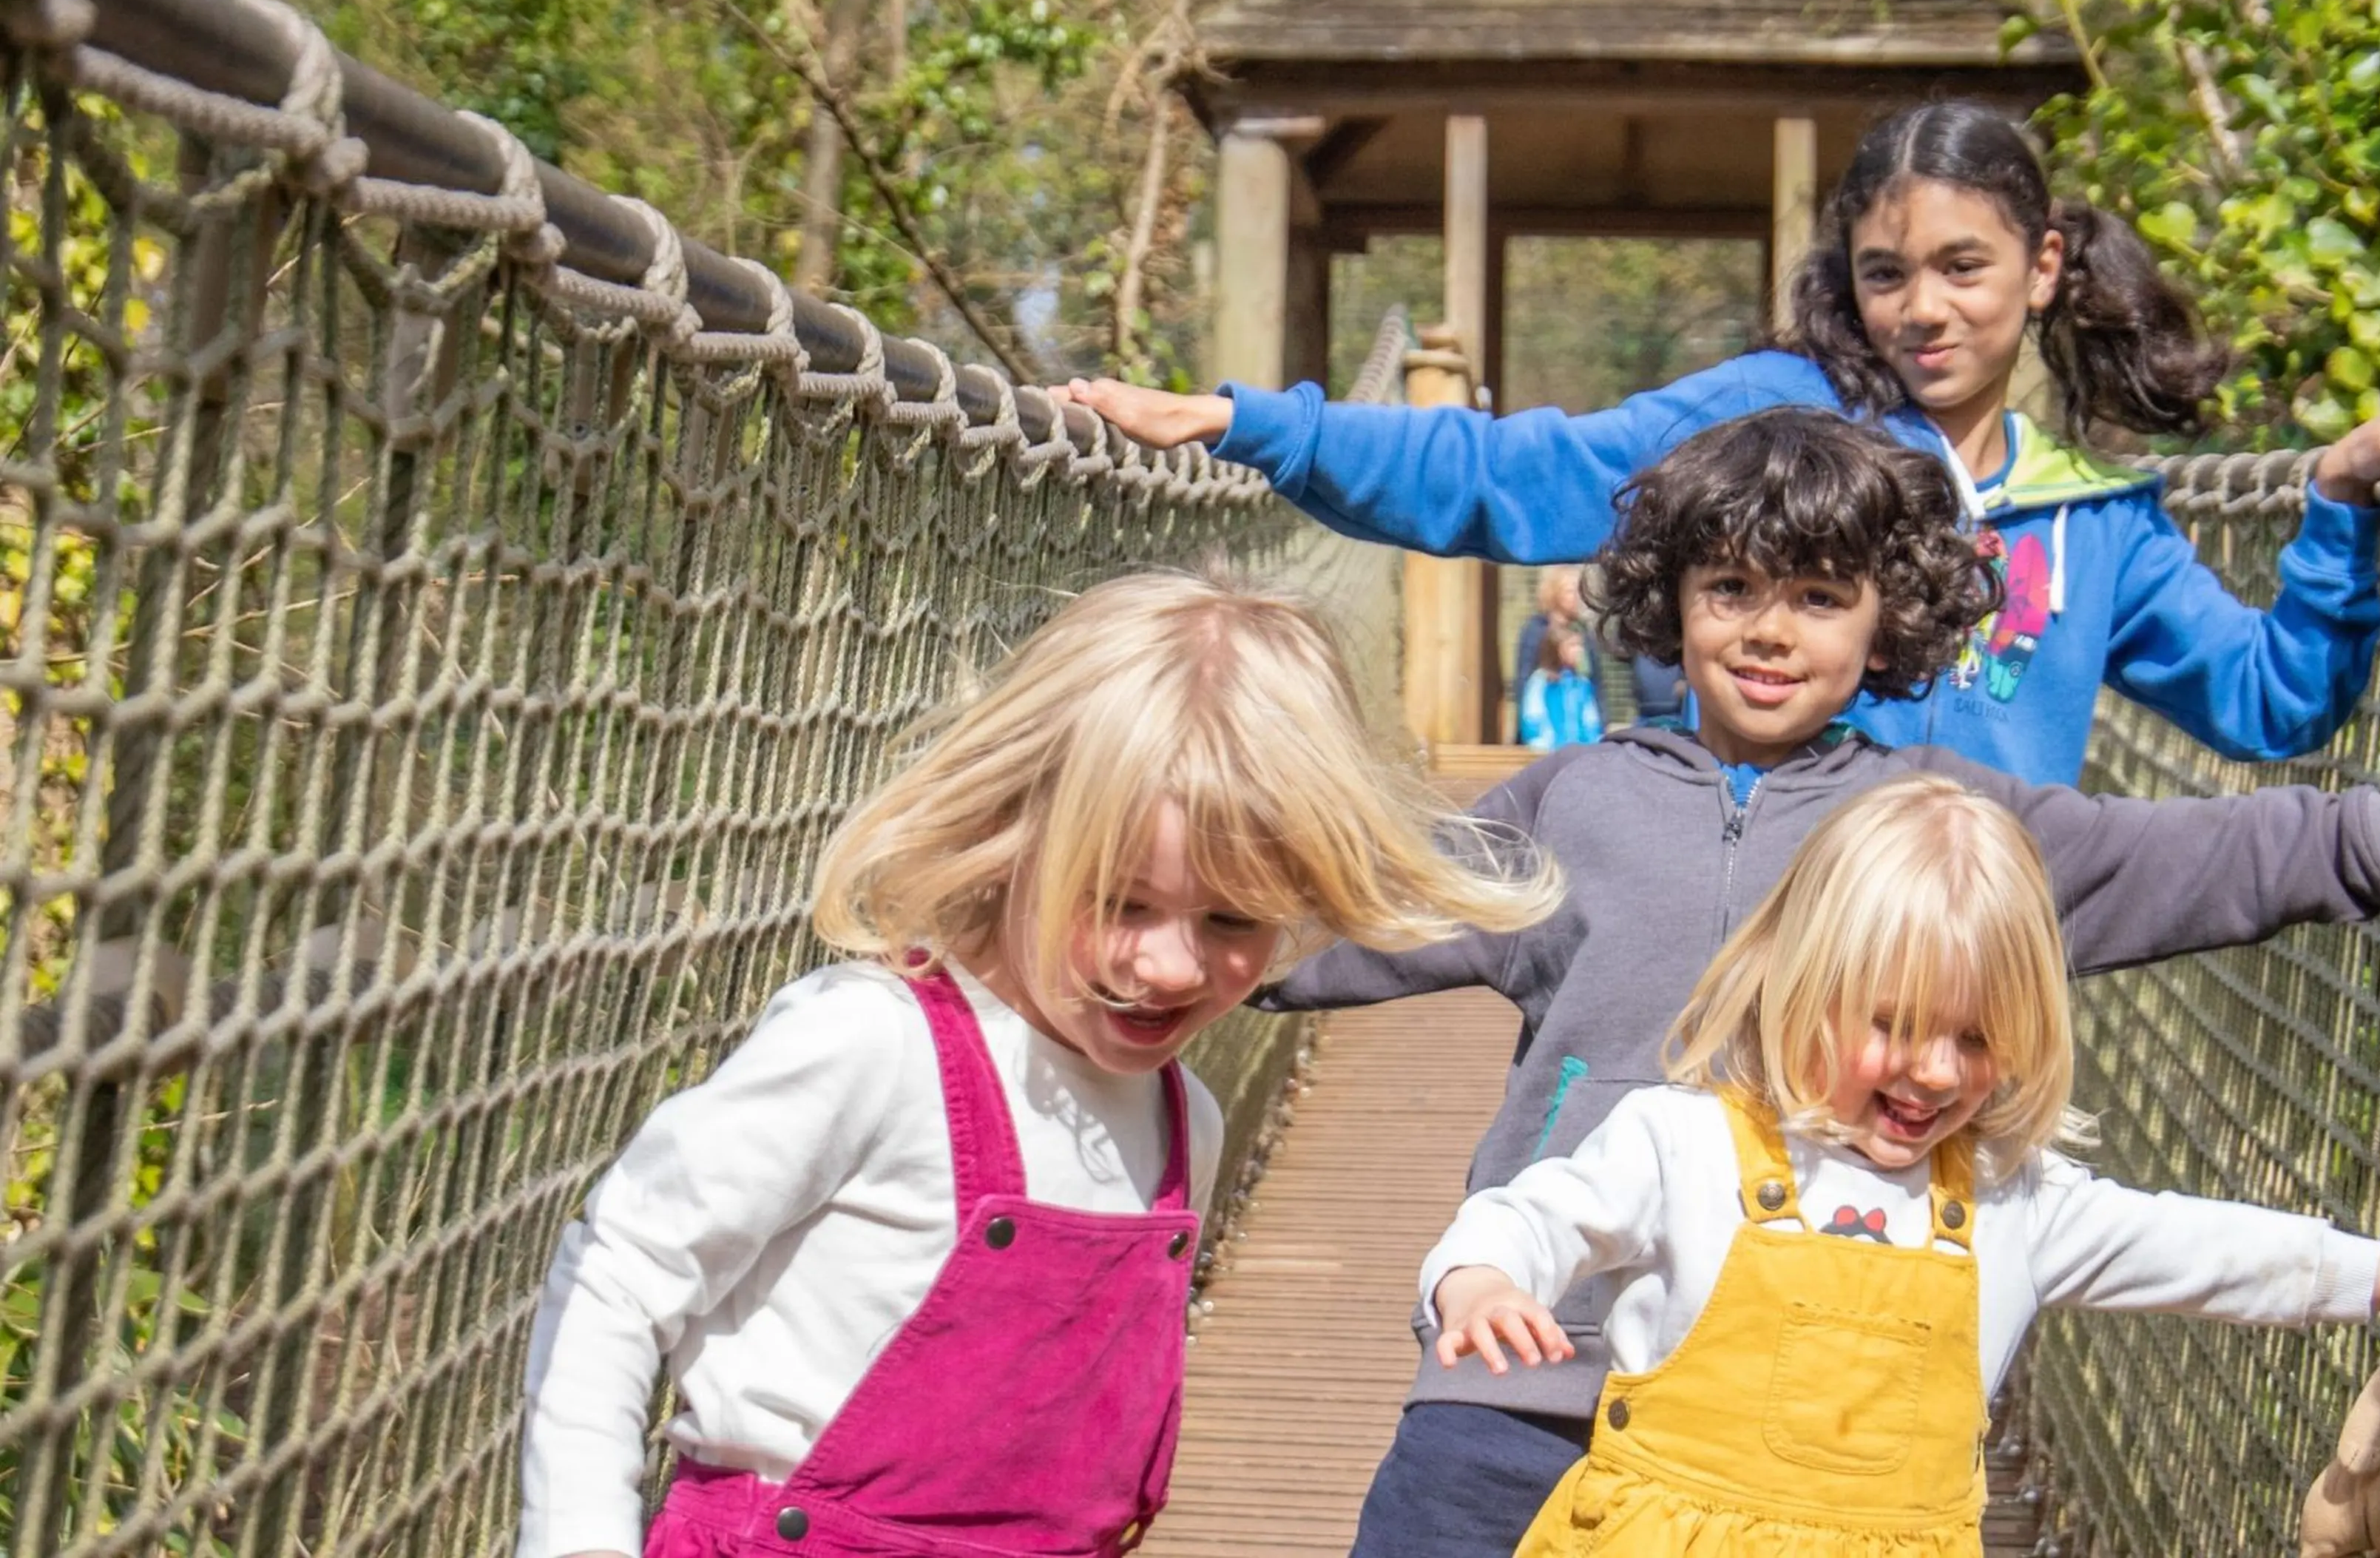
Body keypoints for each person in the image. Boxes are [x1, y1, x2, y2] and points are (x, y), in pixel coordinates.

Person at [1256, 408, 2380, 1557]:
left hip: (1800, 1426)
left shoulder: (1942, 838)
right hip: (1523, 1363)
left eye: (1817, 595)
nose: (1768, 627)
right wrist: (1162, 940)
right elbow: (1361, 906)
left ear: (1887, 618)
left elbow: (2189, 857)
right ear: (1673, 600)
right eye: (1732, 587)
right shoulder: (1569, 805)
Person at [513, 572, 1561, 1558]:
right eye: (1120, 902)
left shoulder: (1181, 1121)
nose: (1169, 963)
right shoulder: (872, 1045)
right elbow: (620, 1275)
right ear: (1017, 839)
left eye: (1232, 919)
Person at [1061, 101, 2380, 786]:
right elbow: (1514, 476)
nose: (1922, 311)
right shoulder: (1773, 428)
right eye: (1884, 272)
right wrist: (1256, 426)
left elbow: (2277, 706)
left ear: (2040, 269)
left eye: (1964, 268)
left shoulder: (2098, 519)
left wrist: (2336, 509)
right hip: (1764, 954)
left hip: (1976, 994)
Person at [1428, 774, 2380, 1554]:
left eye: (1975, 1040)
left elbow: (2200, 1249)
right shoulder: (1685, 1141)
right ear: (1803, 987)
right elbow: (1536, 1212)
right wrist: (1480, 1277)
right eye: (1896, 1026)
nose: (1932, 1072)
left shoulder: (2011, 1197)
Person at [1511, 565, 1596, 718]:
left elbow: (1596, 681)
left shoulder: (1583, 631)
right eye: (1570, 591)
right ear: (1554, 592)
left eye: (1579, 591)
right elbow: (1524, 680)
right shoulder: (1535, 630)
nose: (1576, 597)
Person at [1518, 623, 1605, 752]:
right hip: (1549, 754)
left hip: (1580, 754)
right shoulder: (1541, 681)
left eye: (1580, 645)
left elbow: (1591, 720)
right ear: (1556, 649)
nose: (1579, 650)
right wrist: (1542, 745)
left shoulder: (1582, 682)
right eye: (1572, 645)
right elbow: (1533, 717)